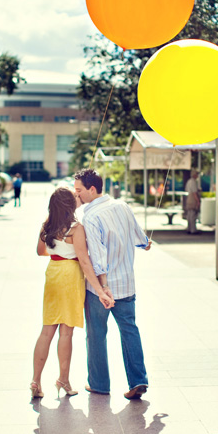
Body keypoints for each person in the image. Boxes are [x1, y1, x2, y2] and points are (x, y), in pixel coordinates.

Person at [73, 168, 152, 400]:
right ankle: (138, 380)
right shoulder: (123, 206)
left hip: (100, 289)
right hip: (127, 284)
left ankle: (99, 384)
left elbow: (97, 258)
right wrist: (146, 243)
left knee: (96, 334)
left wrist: (103, 287)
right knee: (130, 331)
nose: (76, 196)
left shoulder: (91, 217)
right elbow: (140, 238)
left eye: (79, 191)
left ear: (92, 189)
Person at [31, 187, 110, 400]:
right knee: (66, 332)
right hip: (70, 276)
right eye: (74, 196)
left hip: (53, 273)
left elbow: (40, 251)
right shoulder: (76, 228)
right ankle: (63, 380)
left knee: (47, 330)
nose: (78, 198)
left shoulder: (46, 225)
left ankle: (35, 381)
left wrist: (58, 251)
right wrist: (100, 289)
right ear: (68, 204)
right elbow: (84, 261)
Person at [185, 169, 201, 234]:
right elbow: (194, 193)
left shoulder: (189, 181)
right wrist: (198, 201)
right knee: (193, 215)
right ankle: (193, 230)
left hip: (189, 198)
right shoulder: (193, 182)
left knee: (189, 215)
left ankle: (189, 229)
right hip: (192, 199)